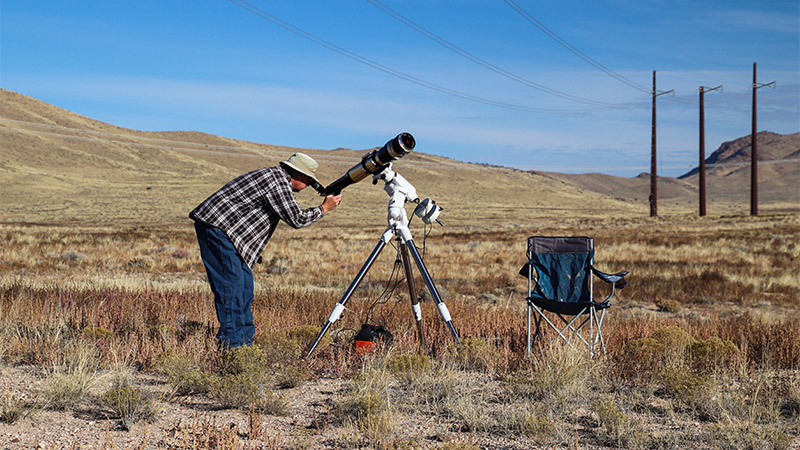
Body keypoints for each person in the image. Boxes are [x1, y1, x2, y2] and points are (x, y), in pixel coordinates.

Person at [189, 153, 342, 349]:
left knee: (244, 289)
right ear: (299, 174)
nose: (307, 187)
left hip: (227, 233)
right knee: (232, 288)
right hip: (218, 229)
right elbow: (297, 219)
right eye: (309, 181)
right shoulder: (277, 182)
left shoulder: (275, 177)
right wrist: (324, 209)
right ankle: (232, 346)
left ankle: (244, 344)